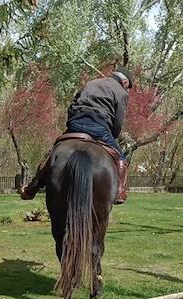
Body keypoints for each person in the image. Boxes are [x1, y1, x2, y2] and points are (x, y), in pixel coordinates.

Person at [19, 67, 133, 204]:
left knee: (53, 152)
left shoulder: (91, 83)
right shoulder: (121, 92)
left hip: (76, 124)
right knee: (120, 156)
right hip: (99, 127)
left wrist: (72, 123)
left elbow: (73, 104)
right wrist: (112, 135)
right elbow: (118, 121)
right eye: (128, 87)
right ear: (125, 82)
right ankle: (120, 191)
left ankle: (32, 188)